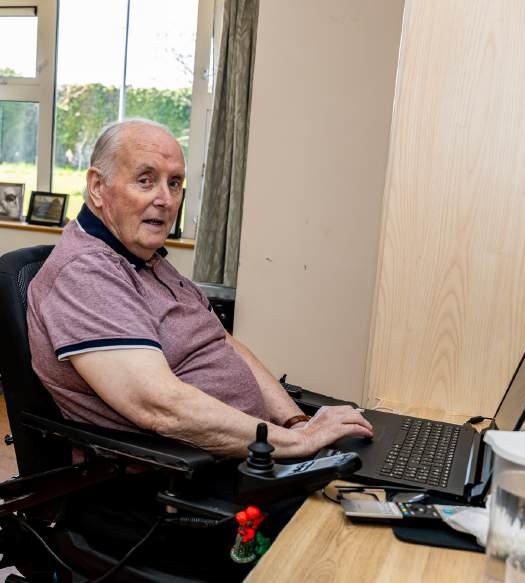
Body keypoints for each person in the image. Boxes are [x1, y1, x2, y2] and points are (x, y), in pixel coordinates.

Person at [26, 118, 373, 579]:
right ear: (97, 187)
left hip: (241, 461)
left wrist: (296, 424)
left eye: (174, 184)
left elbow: (223, 343)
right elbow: (157, 404)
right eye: (145, 180)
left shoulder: (147, 261)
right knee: (351, 547)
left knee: (376, 499)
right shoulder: (87, 274)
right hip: (174, 494)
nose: (165, 199)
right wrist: (298, 444)